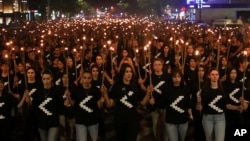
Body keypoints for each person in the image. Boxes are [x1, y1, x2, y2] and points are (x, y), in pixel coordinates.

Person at [106, 63, 151, 141]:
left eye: (130, 71)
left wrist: (148, 94)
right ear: (122, 73)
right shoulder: (117, 86)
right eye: (126, 71)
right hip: (119, 119)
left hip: (133, 120)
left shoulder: (135, 85)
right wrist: (105, 94)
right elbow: (109, 105)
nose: (129, 74)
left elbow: (143, 103)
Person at [32, 70, 63, 141]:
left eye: (48, 78)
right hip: (41, 124)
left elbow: (60, 108)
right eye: (44, 79)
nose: (46, 81)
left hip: (53, 123)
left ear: (51, 78)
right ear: (42, 79)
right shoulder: (38, 92)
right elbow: (34, 108)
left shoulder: (56, 92)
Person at [74, 71, 105, 141]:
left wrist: (101, 102)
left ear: (91, 79)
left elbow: (99, 106)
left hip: (93, 120)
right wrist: (68, 98)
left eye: (88, 78)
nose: (86, 80)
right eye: (84, 78)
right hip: (80, 120)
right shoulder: (77, 89)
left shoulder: (95, 90)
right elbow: (73, 104)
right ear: (82, 78)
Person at [196, 68, 226, 141]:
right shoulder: (204, 90)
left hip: (220, 118)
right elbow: (198, 108)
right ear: (209, 76)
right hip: (207, 117)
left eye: (216, 74)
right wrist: (199, 102)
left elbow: (226, 104)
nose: (215, 76)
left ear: (219, 76)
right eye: (212, 75)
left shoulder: (223, 90)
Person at [163, 70, 192, 141]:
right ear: (171, 78)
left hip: (183, 120)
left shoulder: (185, 90)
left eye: (179, 76)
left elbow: (188, 104)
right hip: (171, 121)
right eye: (174, 77)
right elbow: (163, 103)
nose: (176, 78)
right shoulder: (167, 89)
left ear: (181, 78)